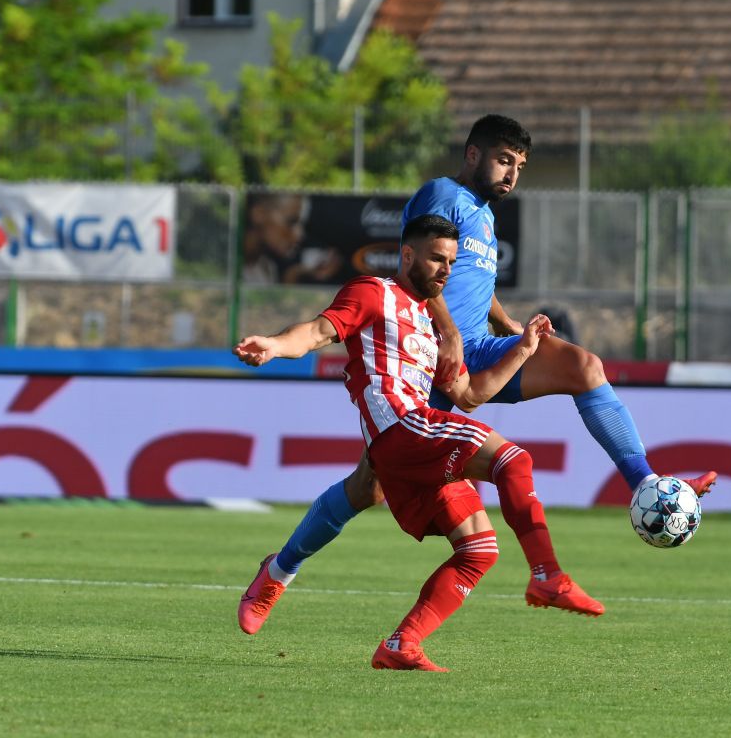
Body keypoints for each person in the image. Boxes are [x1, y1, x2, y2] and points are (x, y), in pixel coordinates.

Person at [239, 114, 716, 633]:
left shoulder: (486, 216)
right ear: (472, 155)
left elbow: (472, 281)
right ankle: (279, 570)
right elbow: (426, 268)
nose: (511, 174)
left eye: (520, 166)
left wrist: (508, 325)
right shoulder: (442, 194)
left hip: (479, 350)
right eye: (503, 160)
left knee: (584, 366)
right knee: (367, 488)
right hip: (430, 359)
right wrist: (446, 332)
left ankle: (646, 484)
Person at [235, 214, 596, 671]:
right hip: (401, 426)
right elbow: (316, 332)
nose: (445, 269)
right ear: (407, 256)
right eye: (435, 259)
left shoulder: (432, 330)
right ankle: (547, 575)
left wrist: (523, 350)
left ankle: (401, 644)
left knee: (479, 550)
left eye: (450, 261)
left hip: (413, 446)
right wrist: (272, 343)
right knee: (512, 460)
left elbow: (470, 396)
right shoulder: (373, 292)